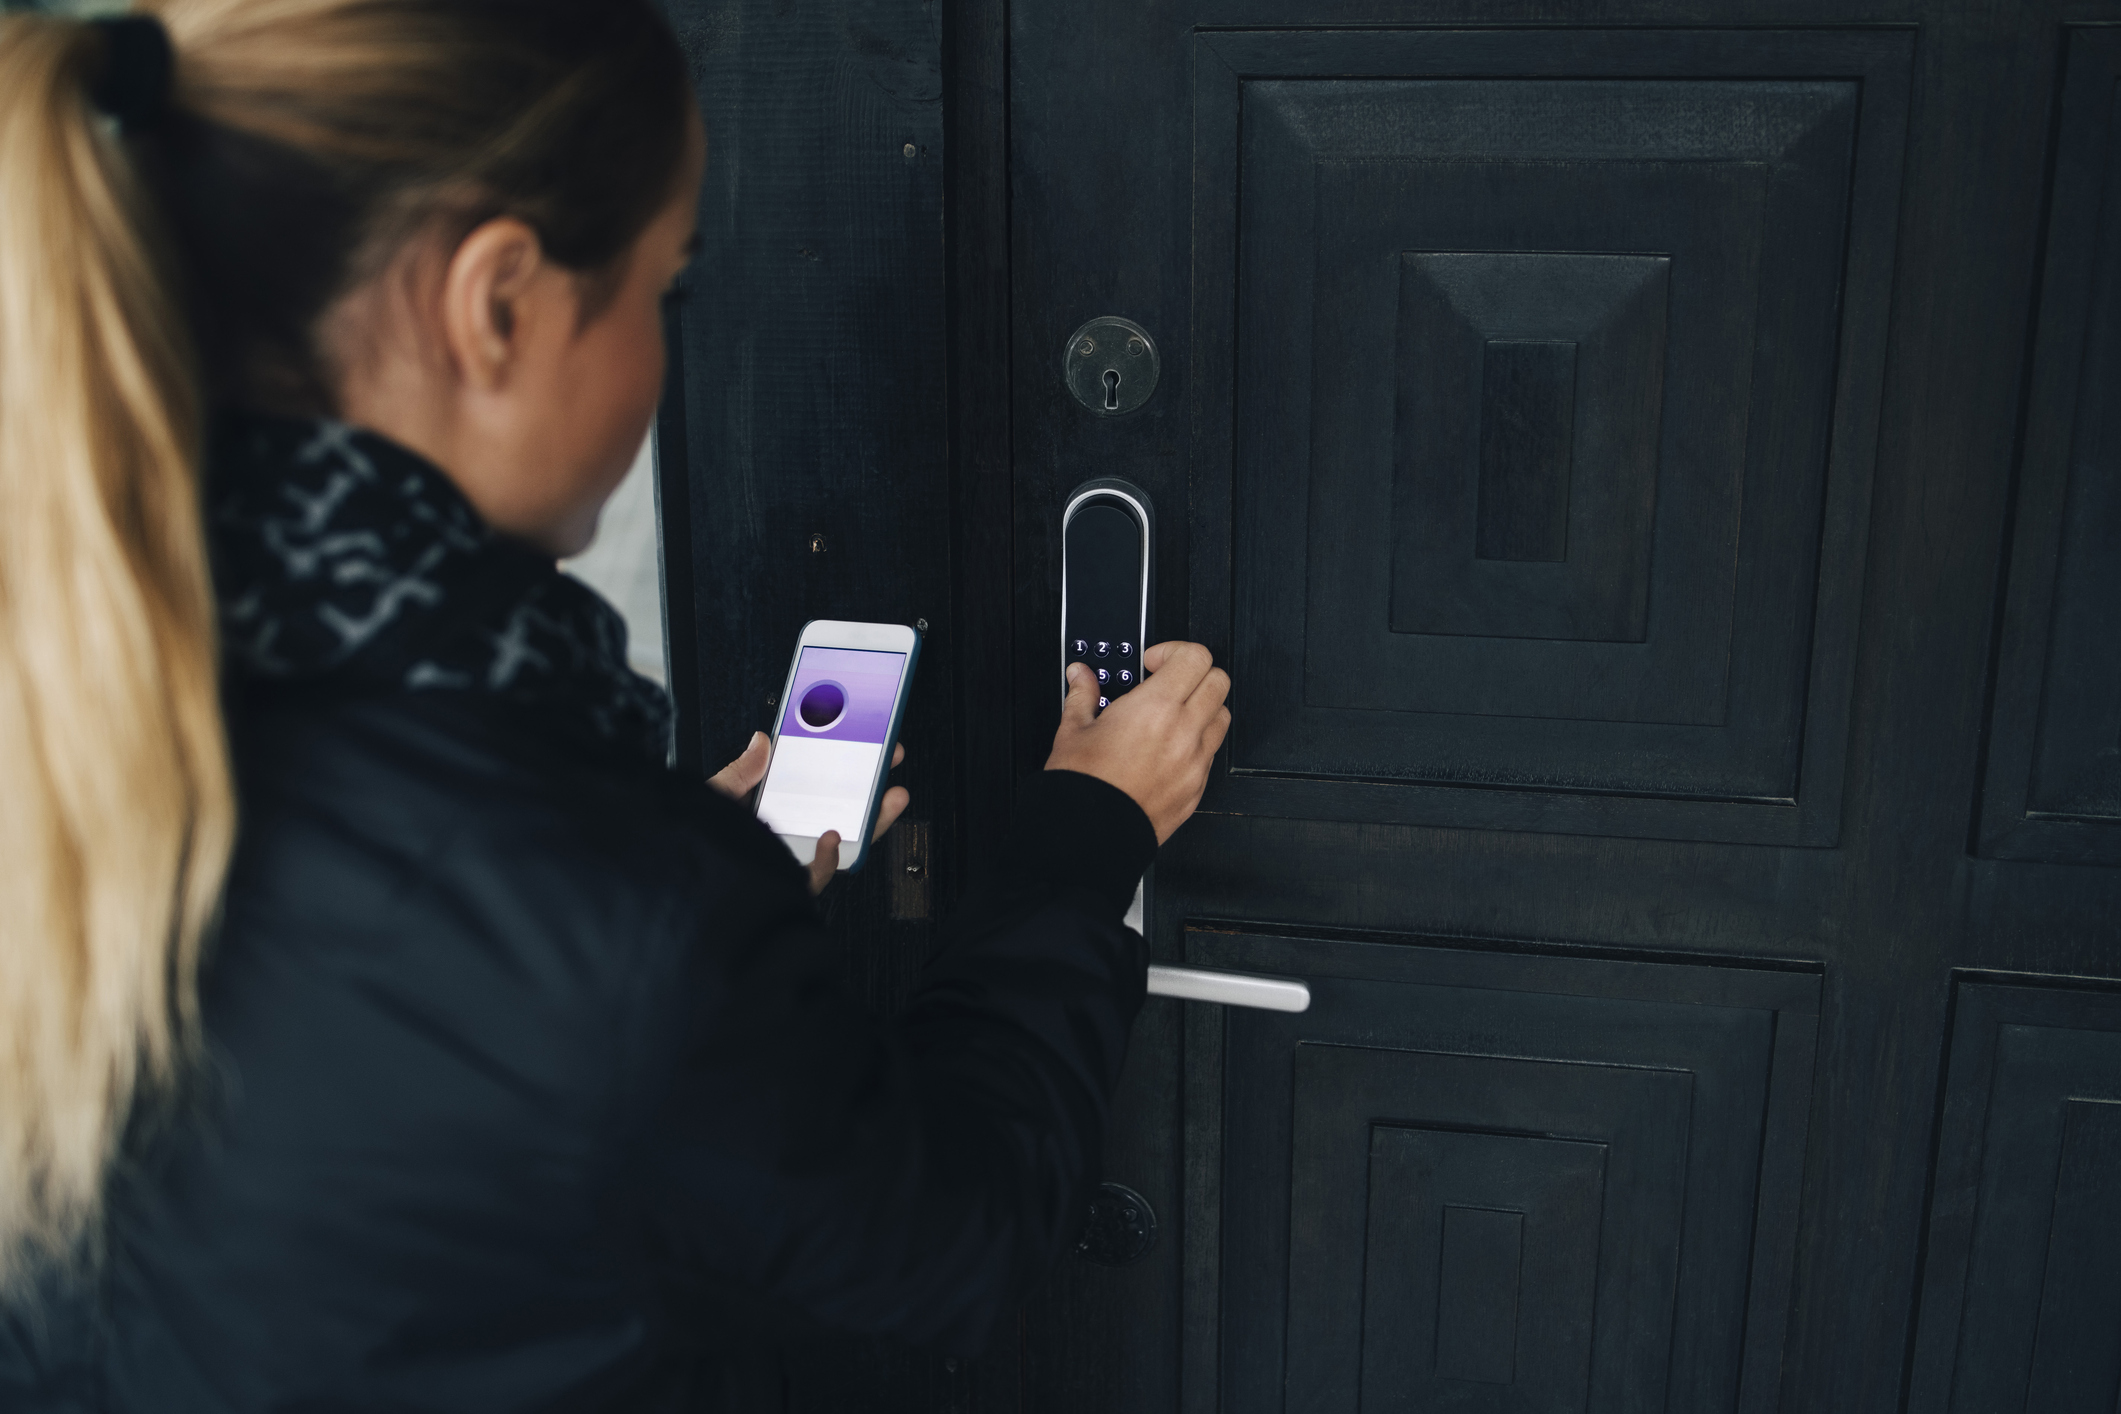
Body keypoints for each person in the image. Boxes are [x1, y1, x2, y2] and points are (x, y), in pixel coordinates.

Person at [0, 2, 1231, 1408]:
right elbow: (949, 1244)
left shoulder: (72, 718)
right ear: (498, 301)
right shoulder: (605, 911)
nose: (660, 357)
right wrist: (1085, 835)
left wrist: (651, 904)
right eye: (666, 287)